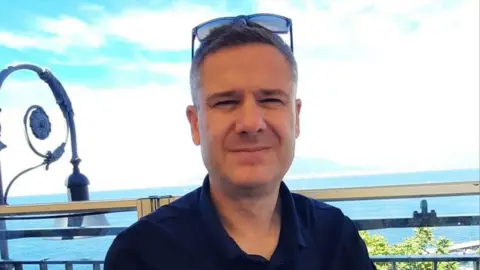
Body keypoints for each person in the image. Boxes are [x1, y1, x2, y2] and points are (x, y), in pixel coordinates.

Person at [104, 14, 377, 270]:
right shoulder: (142, 254)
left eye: (270, 99)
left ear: (296, 118)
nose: (250, 123)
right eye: (226, 102)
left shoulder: (337, 238)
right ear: (195, 124)